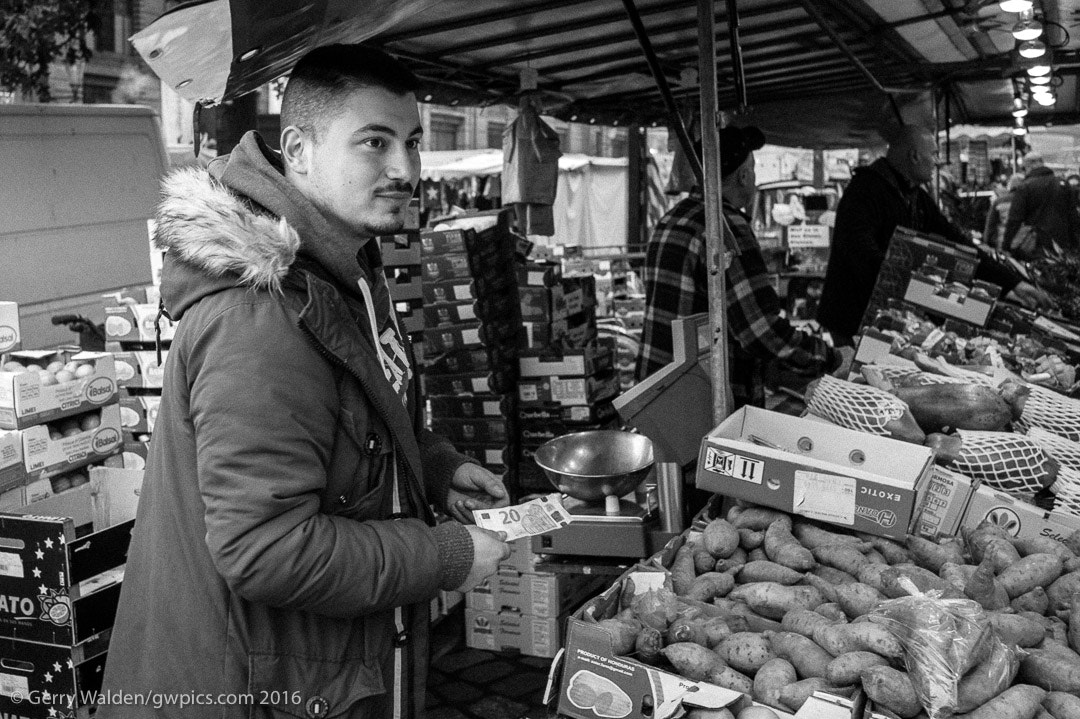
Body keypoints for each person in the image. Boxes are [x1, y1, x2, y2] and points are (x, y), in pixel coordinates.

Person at [98, 45, 510, 719]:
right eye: (373, 143)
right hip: (240, 690)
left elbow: (353, 420)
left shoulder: (345, 269)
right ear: (299, 148)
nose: (405, 169)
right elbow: (264, 546)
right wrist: (445, 555)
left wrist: (434, 467)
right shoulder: (259, 314)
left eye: (412, 142)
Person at [637, 125, 849, 410]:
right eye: (753, 169)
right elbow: (762, 332)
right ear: (744, 176)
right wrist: (831, 356)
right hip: (702, 404)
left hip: (656, 395)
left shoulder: (671, 219)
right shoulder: (724, 227)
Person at [817, 126, 1047, 346]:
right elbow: (860, 253)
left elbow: (957, 242)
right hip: (851, 316)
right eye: (933, 154)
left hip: (886, 313)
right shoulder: (865, 190)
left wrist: (1013, 283)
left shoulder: (914, 195)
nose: (937, 161)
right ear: (915, 156)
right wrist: (923, 291)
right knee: (855, 377)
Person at [1004, 152, 1080, 258]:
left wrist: (1006, 245)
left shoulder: (1025, 187)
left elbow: (1014, 220)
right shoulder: (1062, 184)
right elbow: (1073, 216)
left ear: (1028, 166)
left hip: (1037, 246)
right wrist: (1076, 244)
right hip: (1063, 244)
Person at [983, 172, 1024, 250]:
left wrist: (987, 241)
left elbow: (990, 225)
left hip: (1003, 244)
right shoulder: (1028, 202)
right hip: (1023, 245)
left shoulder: (999, 201)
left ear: (1010, 185)